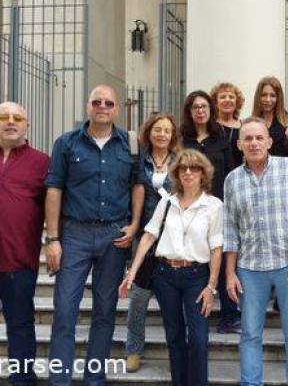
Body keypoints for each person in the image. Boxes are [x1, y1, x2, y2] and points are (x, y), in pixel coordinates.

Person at [45, 85, 142, 384]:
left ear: (116, 109)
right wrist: (53, 239)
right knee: (64, 311)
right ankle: (59, 379)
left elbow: (137, 185)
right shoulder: (66, 143)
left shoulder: (131, 144)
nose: (102, 106)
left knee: (104, 313)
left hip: (114, 236)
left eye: (108, 102)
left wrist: (135, 224)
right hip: (74, 234)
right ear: (88, 106)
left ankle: (94, 379)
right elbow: (54, 189)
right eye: (96, 101)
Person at [119, 149, 223, 386]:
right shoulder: (167, 201)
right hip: (165, 275)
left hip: (197, 276)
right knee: (174, 337)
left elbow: (217, 248)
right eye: (182, 168)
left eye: (193, 168)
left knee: (198, 338)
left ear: (203, 173)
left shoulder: (214, 205)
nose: (187, 172)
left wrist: (211, 286)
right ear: (176, 173)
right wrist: (132, 272)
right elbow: (148, 237)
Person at [224, 117, 288, 385]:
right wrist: (230, 274)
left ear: (270, 141)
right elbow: (230, 231)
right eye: (248, 138)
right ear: (239, 144)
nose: (253, 143)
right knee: (250, 333)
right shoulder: (232, 180)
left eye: (259, 138)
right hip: (250, 270)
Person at [181, 90, 240, 334]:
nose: (200, 111)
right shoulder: (183, 139)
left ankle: (229, 315)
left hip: (219, 207)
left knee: (226, 258)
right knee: (196, 261)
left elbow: (230, 172)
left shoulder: (221, 139)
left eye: (204, 106)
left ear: (211, 110)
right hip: (191, 209)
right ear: (190, 111)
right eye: (195, 107)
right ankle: (197, 316)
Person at [124, 112, 179, 372]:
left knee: (173, 301)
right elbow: (136, 192)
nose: (162, 134)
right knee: (139, 297)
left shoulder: (180, 161)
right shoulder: (139, 161)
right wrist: (136, 226)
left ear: (172, 135)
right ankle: (133, 349)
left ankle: (176, 351)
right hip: (146, 233)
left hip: (173, 235)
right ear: (150, 132)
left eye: (167, 130)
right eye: (157, 129)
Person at [0, 102, 50, 385]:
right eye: (4, 117)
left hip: (18, 262)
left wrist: (54, 242)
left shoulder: (41, 162)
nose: (10, 122)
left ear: (26, 124)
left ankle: (22, 379)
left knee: (19, 326)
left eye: (17, 117)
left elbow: (54, 209)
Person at [252, 75, 288, 156]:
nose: (268, 100)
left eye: (272, 96)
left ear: (279, 98)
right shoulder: (251, 123)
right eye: (264, 95)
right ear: (258, 97)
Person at [211, 82, 244, 166]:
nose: (227, 100)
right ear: (215, 102)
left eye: (231, 97)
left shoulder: (244, 126)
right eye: (222, 97)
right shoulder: (209, 126)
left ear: (237, 101)